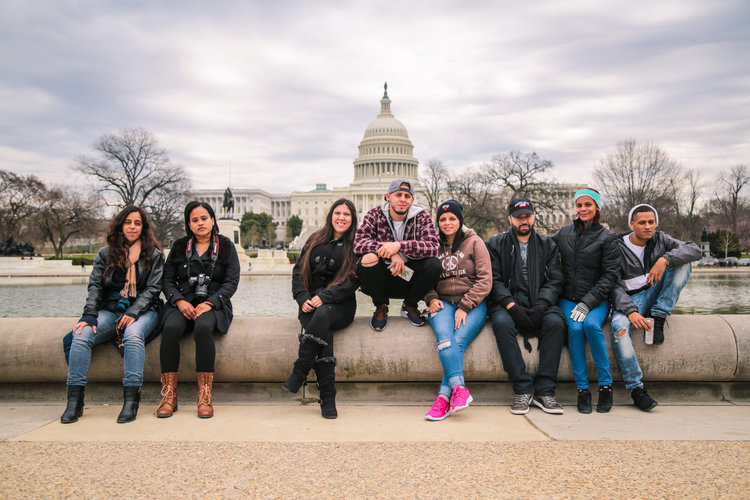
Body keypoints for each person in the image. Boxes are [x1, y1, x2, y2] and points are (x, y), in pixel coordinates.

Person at [60, 206, 164, 424]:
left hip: (145, 310)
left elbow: (153, 289)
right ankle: (75, 401)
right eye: (128, 222)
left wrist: (134, 312)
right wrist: (89, 314)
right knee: (81, 335)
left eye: (137, 223)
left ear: (143, 228)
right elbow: (96, 286)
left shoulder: (153, 255)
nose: (132, 227)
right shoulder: (106, 253)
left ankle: (131, 400)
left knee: (133, 334)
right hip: (111, 308)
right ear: (120, 225)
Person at [610, 203, 701, 411]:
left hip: (655, 294)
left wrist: (665, 258)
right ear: (632, 224)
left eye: (651, 222)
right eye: (642, 222)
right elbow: (612, 284)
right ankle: (636, 389)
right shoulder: (616, 246)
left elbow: (694, 250)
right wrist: (630, 311)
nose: (648, 226)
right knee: (618, 328)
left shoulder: (661, 239)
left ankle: (658, 316)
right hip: (630, 300)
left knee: (683, 262)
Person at [156, 201, 240, 419]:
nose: (200, 223)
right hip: (182, 301)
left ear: (213, 220)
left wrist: (211, 302)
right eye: (195, 220)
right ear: (189, 224)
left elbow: (231, 281)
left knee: (203, 328)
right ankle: (169, 395)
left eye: (204, 218)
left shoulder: (226, 245)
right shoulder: (179, 246)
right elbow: (167, 280)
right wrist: (179, 301)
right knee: (171, 328)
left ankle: (204, 395)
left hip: (213, 303)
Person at [486, 197, 566, 415]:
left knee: (556, 323)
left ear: (533, 217)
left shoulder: (548, 244)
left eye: (527, 216)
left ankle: (545, 390)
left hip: (540, 302)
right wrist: (511, 306)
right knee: (501, 324)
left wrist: (541, 305)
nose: (524, 221)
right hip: (508, 303)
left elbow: (555, 280)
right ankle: (522, 389)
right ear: (511, 219)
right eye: (519, 217)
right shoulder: (495, 244)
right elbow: (493, 279)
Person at [283, 199, 359, 419]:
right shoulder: (315, 238)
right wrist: (303, 298)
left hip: (341, 306)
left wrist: (323, 297)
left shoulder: (355, 244)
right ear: (331, 215)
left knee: (323, 313)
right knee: (322, 331)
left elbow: (353, 281)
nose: (341, 217)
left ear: (352, 219)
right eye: (338, 213)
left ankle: (300, 370)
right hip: (310, 306)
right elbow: (298, 273)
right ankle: (328, 397)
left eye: (346, 214)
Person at [423, 200, 492, 421]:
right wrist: (431, 297)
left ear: (460, 220)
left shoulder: (475, 242)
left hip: (472, 304)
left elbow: (485, 280)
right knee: (445, 339)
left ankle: (443, 398)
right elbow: (421, 279)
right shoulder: (431, 244)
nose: (447, 223)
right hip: (442, 303)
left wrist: (465, 305)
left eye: (452, 218)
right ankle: (459, 390)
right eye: (442, 219)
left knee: (457, 342)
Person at [553, 189, 620, 414]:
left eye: (588, 205)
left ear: (597, 207)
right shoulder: (564, 233)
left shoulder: (607, 238)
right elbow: (540, 248)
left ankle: (606, 386)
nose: (583, 209)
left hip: (597, 300)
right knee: (574, 329)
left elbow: (610, 275)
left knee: (591, 326)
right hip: (568, 299)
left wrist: (588, 302)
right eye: (579, 205)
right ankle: (582, 390)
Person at [353, 179, 441, 331]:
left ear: (412, 200)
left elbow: (433, 247)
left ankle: (410, 305)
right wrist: (389, 253)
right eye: (398, 195)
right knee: (368, 259)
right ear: (388, 196)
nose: (402, 199)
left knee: (434, 264)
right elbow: (358, 243)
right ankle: (381, 306)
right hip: (383, 276)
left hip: (411, 277)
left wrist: (400, 246)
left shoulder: (422, 216)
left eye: (407, 196)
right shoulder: (374, 214)